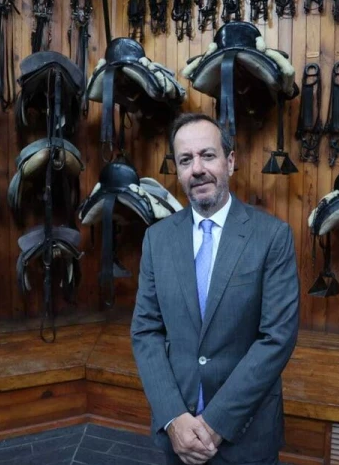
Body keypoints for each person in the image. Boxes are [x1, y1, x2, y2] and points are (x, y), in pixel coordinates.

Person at [131, 113, 301, 465]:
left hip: (246, 437)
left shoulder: (272, 237)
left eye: (208, 155)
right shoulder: (156, 240)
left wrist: (216, 423)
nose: (197, 169)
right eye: (185, 159)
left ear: (230, 161)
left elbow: (277, 338)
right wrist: (173, 418)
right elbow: (145, 331)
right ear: (177, 171)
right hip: (178, 435)